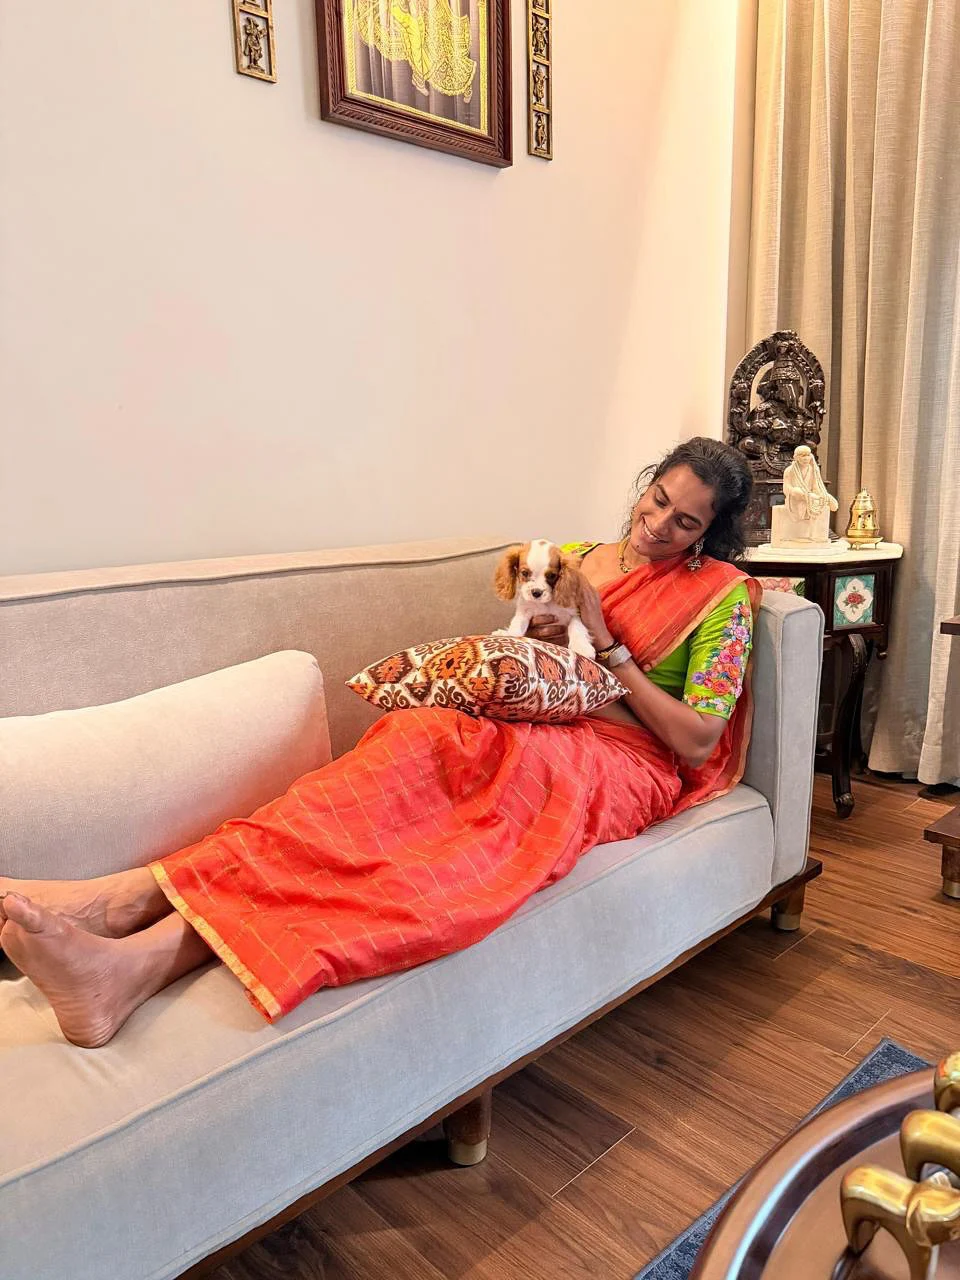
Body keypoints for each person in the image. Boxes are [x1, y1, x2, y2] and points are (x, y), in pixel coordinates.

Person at [0, 438, 759, 1049]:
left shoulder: (721, 596)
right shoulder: (569, 556)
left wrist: (605, 646)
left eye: (686, 522)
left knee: (441, 835)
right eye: (659, 498)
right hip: (526, 721)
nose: (659, 524)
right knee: (406, 741)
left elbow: (697, 742)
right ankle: (129, 903)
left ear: (710, 535)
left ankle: (133, 949)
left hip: (621, 759)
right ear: (648, 483)